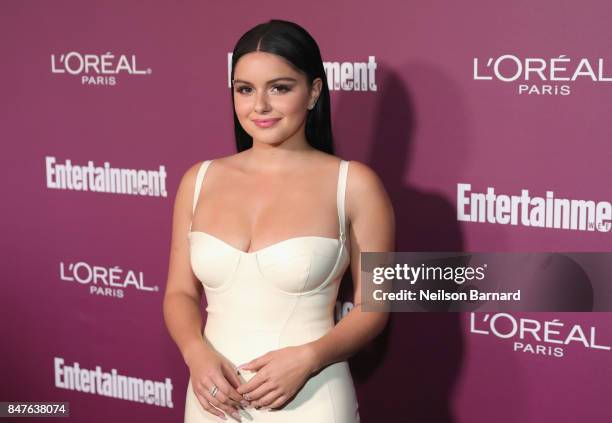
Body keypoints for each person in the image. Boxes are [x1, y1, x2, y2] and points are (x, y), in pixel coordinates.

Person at [163, 19, 394, 422]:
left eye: (280, 87)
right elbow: (180, 293)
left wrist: (309, 358)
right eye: (245, 90)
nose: (260, 106)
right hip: (213, 401)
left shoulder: (354, 184)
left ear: (313, 92)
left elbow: (375, 306)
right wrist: (195, 353)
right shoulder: (198, 180)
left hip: (313, 398)